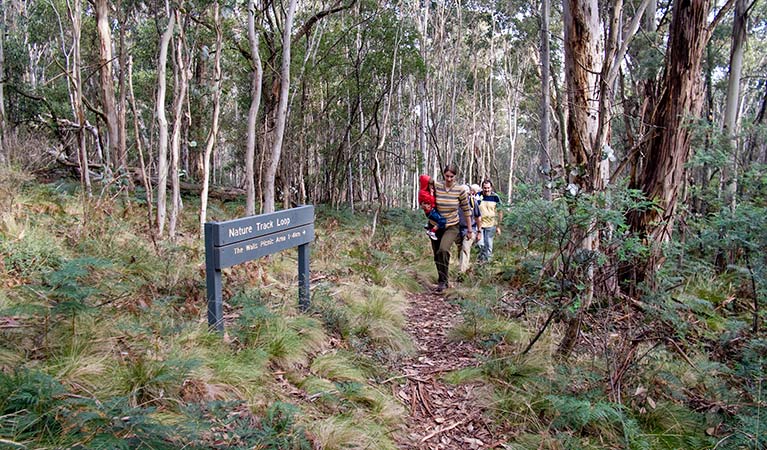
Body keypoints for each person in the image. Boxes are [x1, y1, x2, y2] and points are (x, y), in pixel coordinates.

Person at [430, 165, 473, 293]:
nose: (449, 179)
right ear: (443, 174)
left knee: (443, 249)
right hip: (435, 225)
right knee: (437, 253)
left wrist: (470, 230)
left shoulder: (460, 190)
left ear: (455, 176)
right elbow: (425, 181)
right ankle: (443, 279)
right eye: (447, 176)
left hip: (452, 225)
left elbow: (466, 210)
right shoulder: (438, 187)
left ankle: (443, 281)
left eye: (451, 176)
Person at [458, 184, 482, 274]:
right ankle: (464, 267)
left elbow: (478, 217)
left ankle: (461, 273)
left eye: (465, 193)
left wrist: (479, 231)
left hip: (470, 229)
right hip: (457, 229)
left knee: (465, 248)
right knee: (460, 249)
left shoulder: (473, 202)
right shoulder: (455, 202)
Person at [478, 179, 502, 263]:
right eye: (485, 188)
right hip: (479, 225)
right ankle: (480, 261)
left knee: (488, 245)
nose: (486, 190)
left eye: (488, 188)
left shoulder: (495, 197)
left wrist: (498, 226)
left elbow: (500, 211)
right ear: (482, 188)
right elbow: (473, 208)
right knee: (480, 244)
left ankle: (487, 263)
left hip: (491, 225)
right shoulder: (478, 196)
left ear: (491, 188)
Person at [418, 174, 446, 240]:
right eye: (430, 185)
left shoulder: (425, 191)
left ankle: (429, 226)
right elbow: (431, 200)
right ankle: (432, 231)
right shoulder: (423, 192)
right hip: (430, 211)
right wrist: (431, 194)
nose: (431, 186)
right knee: (443, 220)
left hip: (432, 210)